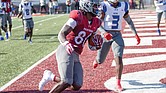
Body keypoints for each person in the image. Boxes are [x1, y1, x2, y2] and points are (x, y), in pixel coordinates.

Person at [38, 0, 102, 92]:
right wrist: (66, 44)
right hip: (66, 49)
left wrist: (95, 45)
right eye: (95, 6)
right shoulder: (78, 16)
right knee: (66, 81)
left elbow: (90, 44)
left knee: (77, 85)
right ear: (86, 6)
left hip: (76, 54)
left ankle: (51, 77)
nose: (97, 8)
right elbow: (61, 34)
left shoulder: (96, 22)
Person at [93, 0, 141, 92]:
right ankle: (97, 60)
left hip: (117, 35)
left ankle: (118, 83)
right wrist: (104, 32)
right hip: (106, 35)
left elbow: (129, 21)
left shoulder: (124, 5)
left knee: (118, 58)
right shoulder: (104, 6)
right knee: (100, 60)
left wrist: (135, 34)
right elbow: (97, 23)